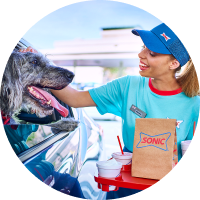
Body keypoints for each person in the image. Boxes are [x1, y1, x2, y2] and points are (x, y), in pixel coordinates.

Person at [20, 23, 200, 199]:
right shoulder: (127, 86)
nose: (140, 54)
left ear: (173, 63)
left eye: (151, 53)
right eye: (143, 47)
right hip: (126, 186)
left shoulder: (194, 103)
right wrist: (37, 66)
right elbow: (74, 98)